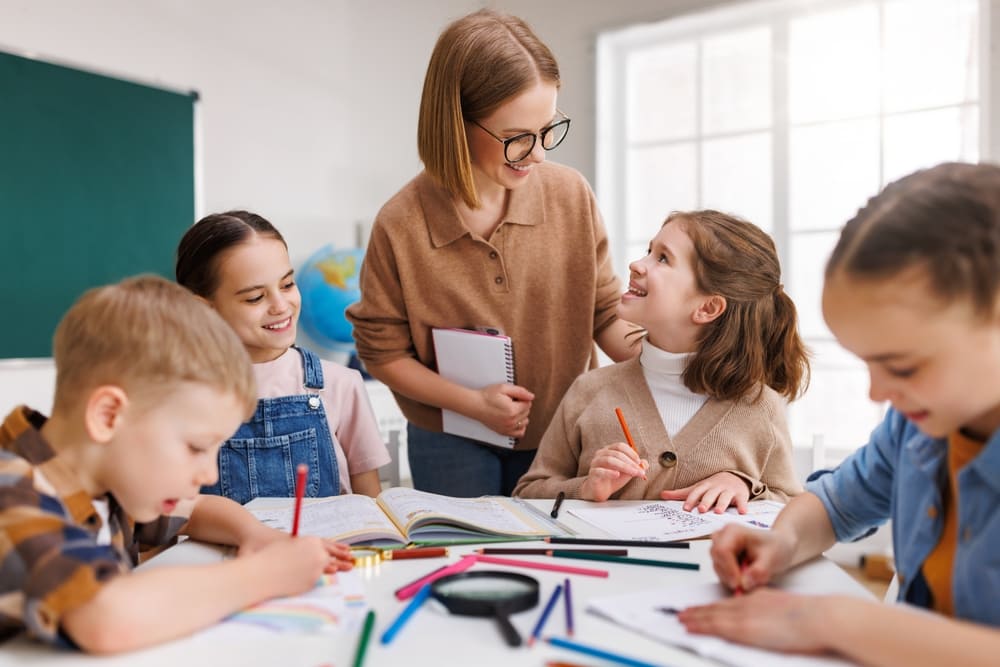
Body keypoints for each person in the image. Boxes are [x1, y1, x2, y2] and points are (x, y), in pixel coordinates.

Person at [679, 163, 1000, 666]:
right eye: (868, 363)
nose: (877, 391)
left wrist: (834, 621)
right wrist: (780, 542)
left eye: (902, 366)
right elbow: (834, 506)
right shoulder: (915, 428)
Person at [345, 9, 636, 498]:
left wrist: (678, 358)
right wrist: (471, 403)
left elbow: (604, 311)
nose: (539, 154)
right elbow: (383, 353)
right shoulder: (401, 224)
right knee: (469, 560)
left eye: (548, 129)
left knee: (557, 555)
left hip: (563, 431)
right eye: (517, 138)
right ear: (454, 124)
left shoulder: (570, 195)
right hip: (451, 439)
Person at [0, 276, 353, 653]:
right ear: (108, 416)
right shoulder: (13, 489)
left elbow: (198, 509)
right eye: (196, 447)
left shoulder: (108, 479)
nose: (210, 474)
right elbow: (103, 616)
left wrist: (254, 535)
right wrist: (266, 574)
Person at [515, 210, 808, 511]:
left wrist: (746, 487)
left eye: (663, 258)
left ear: (707, 308)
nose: (636, 264)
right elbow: (526, 493)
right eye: (649, 251)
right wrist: (586, 488)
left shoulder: (760, 406)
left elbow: (791, 507)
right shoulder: (590, 390)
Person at [176, 210, 390, 502]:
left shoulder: (341, 384)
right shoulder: (177, 397)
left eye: (287, 284)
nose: (280, 305)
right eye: (255, 297)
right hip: (228, 550)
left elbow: (371, 510)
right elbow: (169, 520)